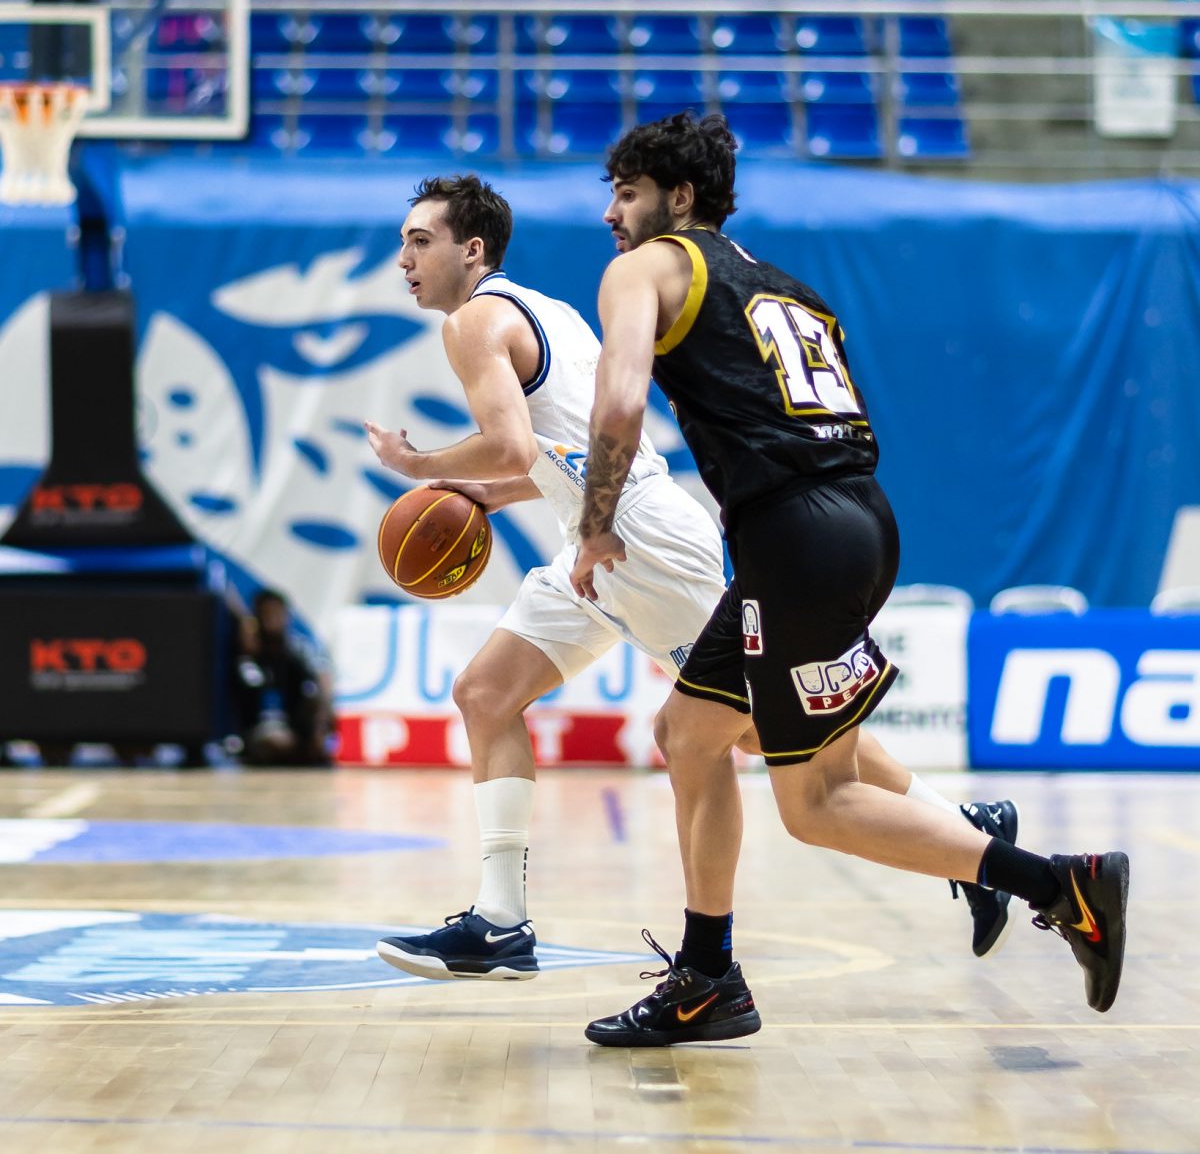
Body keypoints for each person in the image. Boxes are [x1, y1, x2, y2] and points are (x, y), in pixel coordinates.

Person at [365, 174, 1017, 984]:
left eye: (419, 241)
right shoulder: (547, 311)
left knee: (760, 730)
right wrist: (495, 497)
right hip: (599, 533)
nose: (405, 259)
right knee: (485, 693)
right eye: (402, 244)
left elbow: (510, 445)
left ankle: (966, 831)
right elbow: (564, 456)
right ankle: (500, 922)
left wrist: (414, 464)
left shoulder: (471, 323)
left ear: (472, 249)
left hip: (639, 543)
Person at [570, 111, 1129, 1045]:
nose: (611, 215)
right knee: (690, 734)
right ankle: (708, 977)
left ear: (680, 197)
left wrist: (595, 527)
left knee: (817, 803)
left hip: (796, 538)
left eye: (626, 193)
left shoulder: (644, 268)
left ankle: (1060, 886)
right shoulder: (789, 289)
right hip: (852, 520)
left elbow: (621, 402)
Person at [232, 589, 333, 766]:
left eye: (278, 614)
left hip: (294, 726)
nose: (273, 620)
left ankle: (307, 749)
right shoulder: (248, 655)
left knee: (316, 697)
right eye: (267, 614)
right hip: (259, 731)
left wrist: (319, 729)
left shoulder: (297, 649)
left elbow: (323, 680)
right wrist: (247, 652)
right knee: (274, 742)